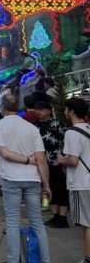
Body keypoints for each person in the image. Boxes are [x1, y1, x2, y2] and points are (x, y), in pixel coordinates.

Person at [0, 94, 50, 263]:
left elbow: (5, 154)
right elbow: (41, 159)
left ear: (2, 108)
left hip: (11, 178)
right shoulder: (31, 128)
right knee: (37, 223)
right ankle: (45, 260)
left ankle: (13, 260)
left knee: (13, 223)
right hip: (33, 179)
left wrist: (26, 160)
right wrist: (46, 184)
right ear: (19, 107)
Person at [58, 97, 90, 263]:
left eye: (65, 109)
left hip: (82, 183)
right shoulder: (88, 128)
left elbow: (73, 160)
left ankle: (88, 258)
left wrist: (61, 160)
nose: (65, 112)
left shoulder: (71, 132)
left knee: (87, 224)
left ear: (71, 111)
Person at [35, 100, 69, 227]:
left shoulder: (57, 124)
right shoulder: (35, 126)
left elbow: (65, 143)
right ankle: (54, 215)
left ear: (49, 111)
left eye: (42, 109)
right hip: (43, 163)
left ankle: (63, 217)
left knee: (61, 189)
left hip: (58, 163)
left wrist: (65, 160)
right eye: (37, 110)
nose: (39, 112)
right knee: (47, 189)